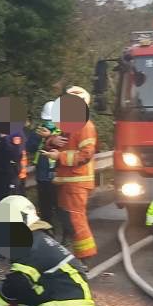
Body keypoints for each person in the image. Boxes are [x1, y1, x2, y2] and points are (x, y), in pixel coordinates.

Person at [49, 86, 99, 261]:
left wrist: (59, 156)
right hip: (66, 182)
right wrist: (51, 140)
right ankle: (77, 257)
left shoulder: (85, 126)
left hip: (76, 182)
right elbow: (55, 143)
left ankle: (84, 259)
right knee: (68, 220)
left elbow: (86, 155)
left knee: (76, 221)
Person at [29, 98, 61, 225]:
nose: (48, 123)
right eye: (46, 120)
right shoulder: (38, 132)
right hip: (42, 175)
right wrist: (39, 138)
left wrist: (49, 137)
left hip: (57, 175)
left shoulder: (63, 132)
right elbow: (29, 147)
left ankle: (65, 232)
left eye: (50, 120)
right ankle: (48, 229)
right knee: (44, 206)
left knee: (59, 204)